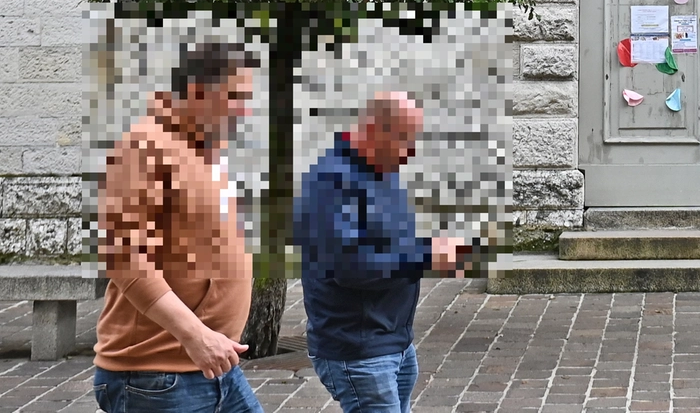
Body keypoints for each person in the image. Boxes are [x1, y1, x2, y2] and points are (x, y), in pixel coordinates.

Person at [93, 41, 263, 413]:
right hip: (157, 376)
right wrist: (196, 335)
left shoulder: (205, 149)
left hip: (214, 364)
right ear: (198, 91)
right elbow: (125, 258)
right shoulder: (143, 146)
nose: (245, 110)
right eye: (236, 96)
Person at [297, 91, 468, 413]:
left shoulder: (382, 171)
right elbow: (352, 267)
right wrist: (427, 256)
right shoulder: (331, 182)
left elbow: (391, 243)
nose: (412, 151)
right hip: (358, 350)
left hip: (393, 342)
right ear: (373, 130)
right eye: (405, 139)